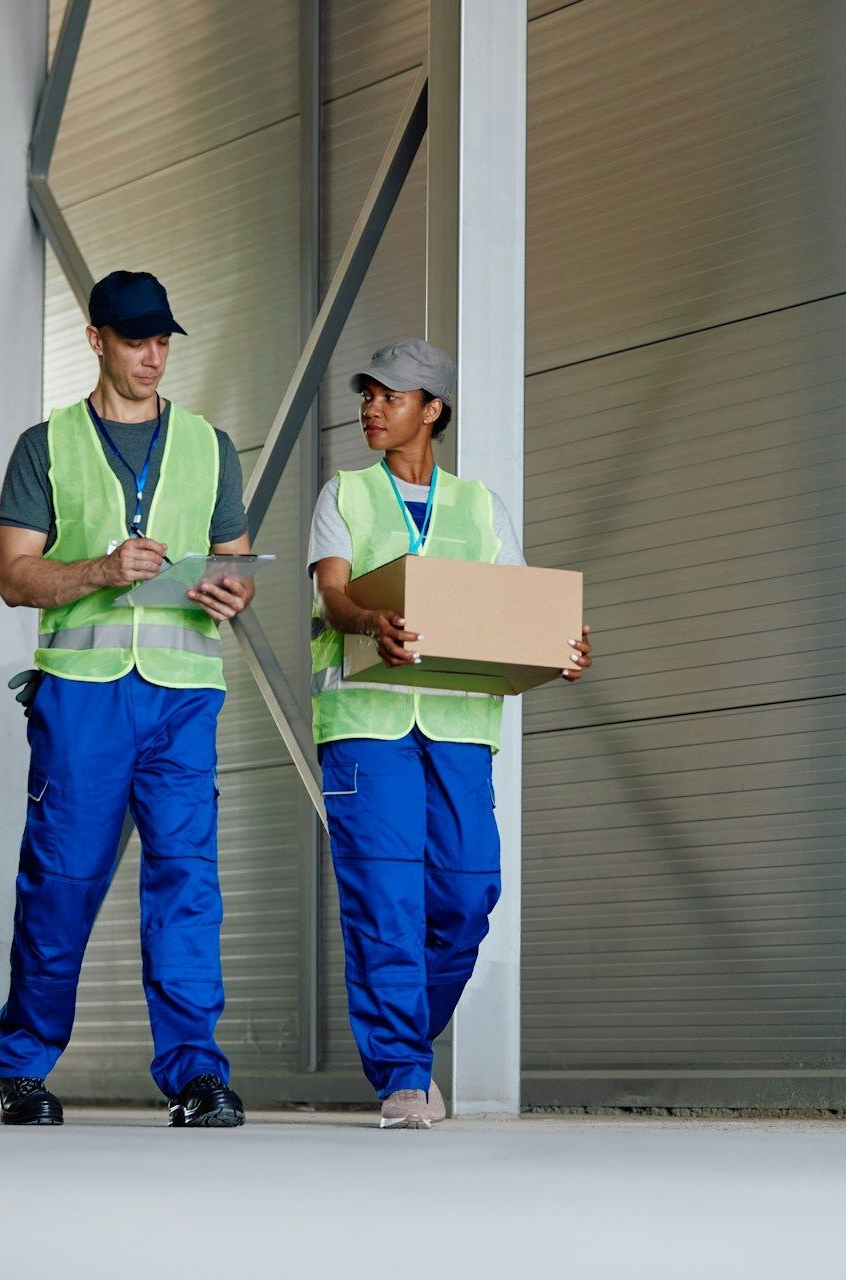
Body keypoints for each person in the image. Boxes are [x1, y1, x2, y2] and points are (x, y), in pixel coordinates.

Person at [0, 270, 256, 1127]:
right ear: (96, 339)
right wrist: (102, 570)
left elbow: (235, 562)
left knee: (187, 882)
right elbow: (15, 576)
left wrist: (230, 593)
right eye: (136, 340)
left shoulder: (210, 445)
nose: (154, 356)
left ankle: (195, 1076)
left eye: (164, 340)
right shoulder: (46, 446)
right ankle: (22, 1068)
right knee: (61, 882)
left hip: (182, 697)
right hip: (84, 700)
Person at [308, 339, 593, 1129]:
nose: (371, 407)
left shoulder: (479, 507)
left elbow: (517, 609)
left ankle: (406, 1029)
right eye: (367, 394)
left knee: (468, 896)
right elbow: (334, 595)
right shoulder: (346, 495)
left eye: (390, 396)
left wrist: (561, 645)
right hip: (368, 727)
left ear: (431, 410)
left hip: (460, 728)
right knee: (385, 901)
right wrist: (371, 621)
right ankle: (402, 1072)